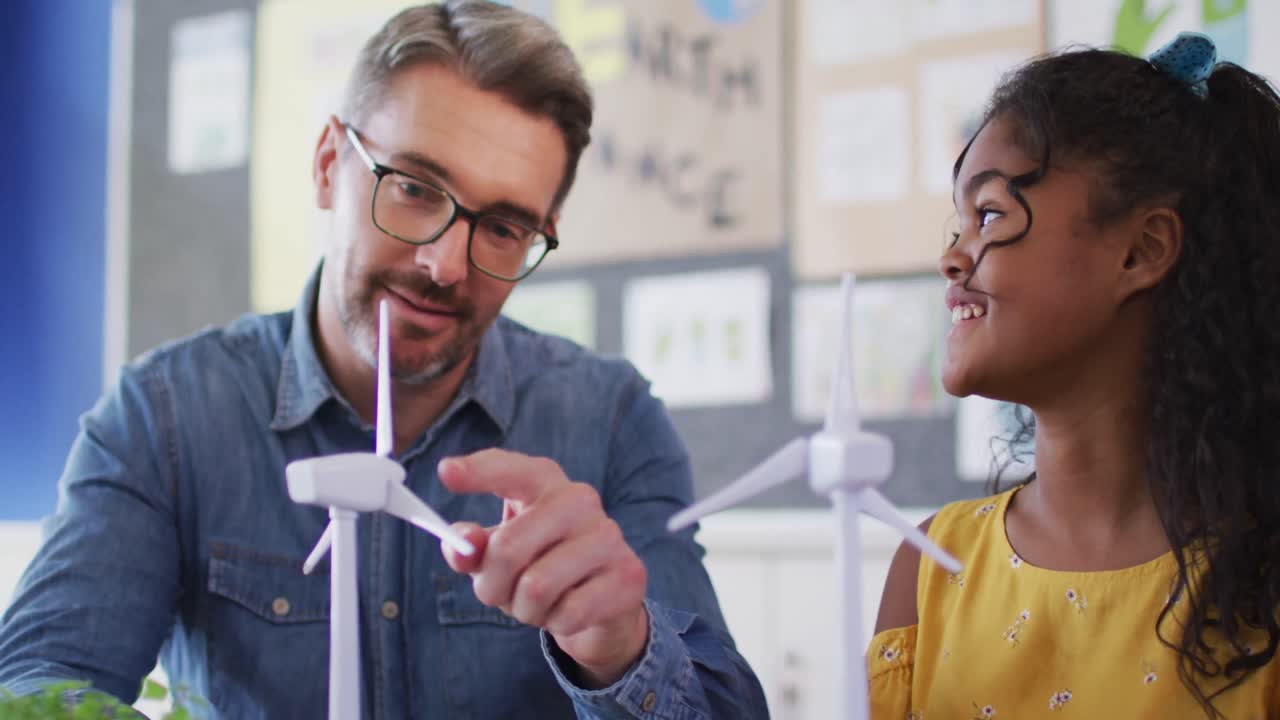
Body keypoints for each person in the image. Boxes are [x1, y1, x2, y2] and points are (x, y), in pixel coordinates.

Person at [0, 2, 767, 718]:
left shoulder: (611, 420)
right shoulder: (163, 417)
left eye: (503, 228)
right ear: (328, 163)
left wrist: (622, 650)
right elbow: (37, 688)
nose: (445, 264)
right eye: (414, 189)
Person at [870, 32, 1280, 719]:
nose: (952, 257)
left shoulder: (1261, 584)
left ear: (1141, 251)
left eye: (990, 214)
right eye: (957, 224)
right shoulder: (931, 566)